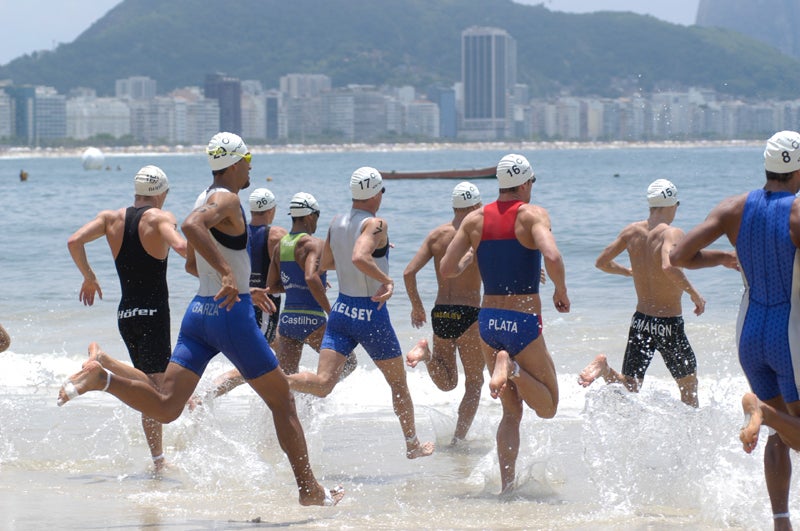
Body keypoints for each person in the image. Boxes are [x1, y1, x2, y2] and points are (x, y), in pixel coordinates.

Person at [57, 132, 343, 507]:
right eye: (249, 158)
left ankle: (105, 379)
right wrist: (230, 275)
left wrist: (235, 280)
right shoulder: (225, 198)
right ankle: (309, 491)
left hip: (200, 313)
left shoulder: (203, 196)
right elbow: (192, 227)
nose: (252, 166)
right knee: (283, 400)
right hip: (230, 315)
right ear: (236, 162)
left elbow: (192, 262)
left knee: (166, 406)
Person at [670, 130, 800, 529]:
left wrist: (726, 255)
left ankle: (780, 521)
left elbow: (679, 255)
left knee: (780, 431)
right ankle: (759, 410)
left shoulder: (734, 207)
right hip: (790, 334)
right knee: (784, 424)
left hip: (750, 330)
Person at [440, 153, 569, 494]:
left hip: (489, 321)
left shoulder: (474, 220)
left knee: (511, 414)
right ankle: (510, 368)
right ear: (525, 182)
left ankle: (508, 489)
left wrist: (475, 255)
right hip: (522, 319)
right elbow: (553, 256)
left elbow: (447, 268)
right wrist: (560, 289)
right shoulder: (532, 214)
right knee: (549, 406)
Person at [285, 167, 435, 460]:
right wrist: (388, 280)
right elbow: (358, 256)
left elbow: (327, 262)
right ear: (376, 193)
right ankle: (412, 444)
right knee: (398, 384)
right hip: (371, 315)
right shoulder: (376, 224)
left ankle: (275, 379)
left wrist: (375, 252)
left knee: (324, 383)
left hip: (341, 310)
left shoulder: (336, 221)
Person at [66, 164, 187, 471]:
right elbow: (182, 245)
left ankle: (158, 460)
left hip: (126, 314)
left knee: (150, 390)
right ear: (161, 193)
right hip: (153, 314)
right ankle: (104, 363)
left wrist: (89, 277)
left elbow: (74, 241)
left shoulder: (110, 218)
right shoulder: (161, 217)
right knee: (158, 393)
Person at [577, 179, 738, 408]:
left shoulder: (631, 231)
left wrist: (627, 272)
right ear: (672, 204)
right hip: (668, 324)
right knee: (689, 386)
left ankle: (604, 368)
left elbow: (601, 262)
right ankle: (691, 436)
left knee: (631, 385)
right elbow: (668, 266)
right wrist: (694, 294)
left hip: (641, 321)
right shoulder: (671, 233)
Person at [207, 192, 356, 399]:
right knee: (350, 362)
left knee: (287, 379)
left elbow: (273, 286)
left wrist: (296, 286)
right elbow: (311, 277)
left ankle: (296, 409)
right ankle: (312, 393)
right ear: (311, 216)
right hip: (312, 319)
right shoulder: (315, 243)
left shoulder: (281, 244)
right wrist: (332, 312)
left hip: (287, 322)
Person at [404, 181, 485, 445]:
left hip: (441, 313)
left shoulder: (437, 235)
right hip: (470, 315)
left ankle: (426, 356)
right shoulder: (477, 235)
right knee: (473, 382)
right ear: (474, 206)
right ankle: (458, 439)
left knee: (448, 383)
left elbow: (408, 272)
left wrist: (417, 306)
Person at [247, 187, 286, 345]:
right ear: (272, 210)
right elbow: (288, 272)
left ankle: (285, 368)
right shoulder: (276, 235)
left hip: (242, 296)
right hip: (265, 300)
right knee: (259, 349)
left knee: (265, 342)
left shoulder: (238, 231)